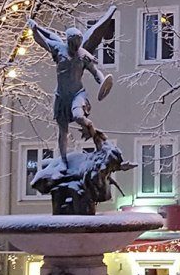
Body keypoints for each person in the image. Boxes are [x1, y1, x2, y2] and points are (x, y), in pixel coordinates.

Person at [27, 15, 115, 164]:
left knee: (78, 116)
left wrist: (103, 82)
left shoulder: (83, 56)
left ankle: (91, 129)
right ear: (68, 41)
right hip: (61, 96)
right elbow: (43, 41)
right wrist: (35, 30)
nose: (76, 47)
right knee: (63, 131)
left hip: (77, 94)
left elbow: (95, 72)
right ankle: (63, 161)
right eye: (74, 44)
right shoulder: (58, 49)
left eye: (78, 44)